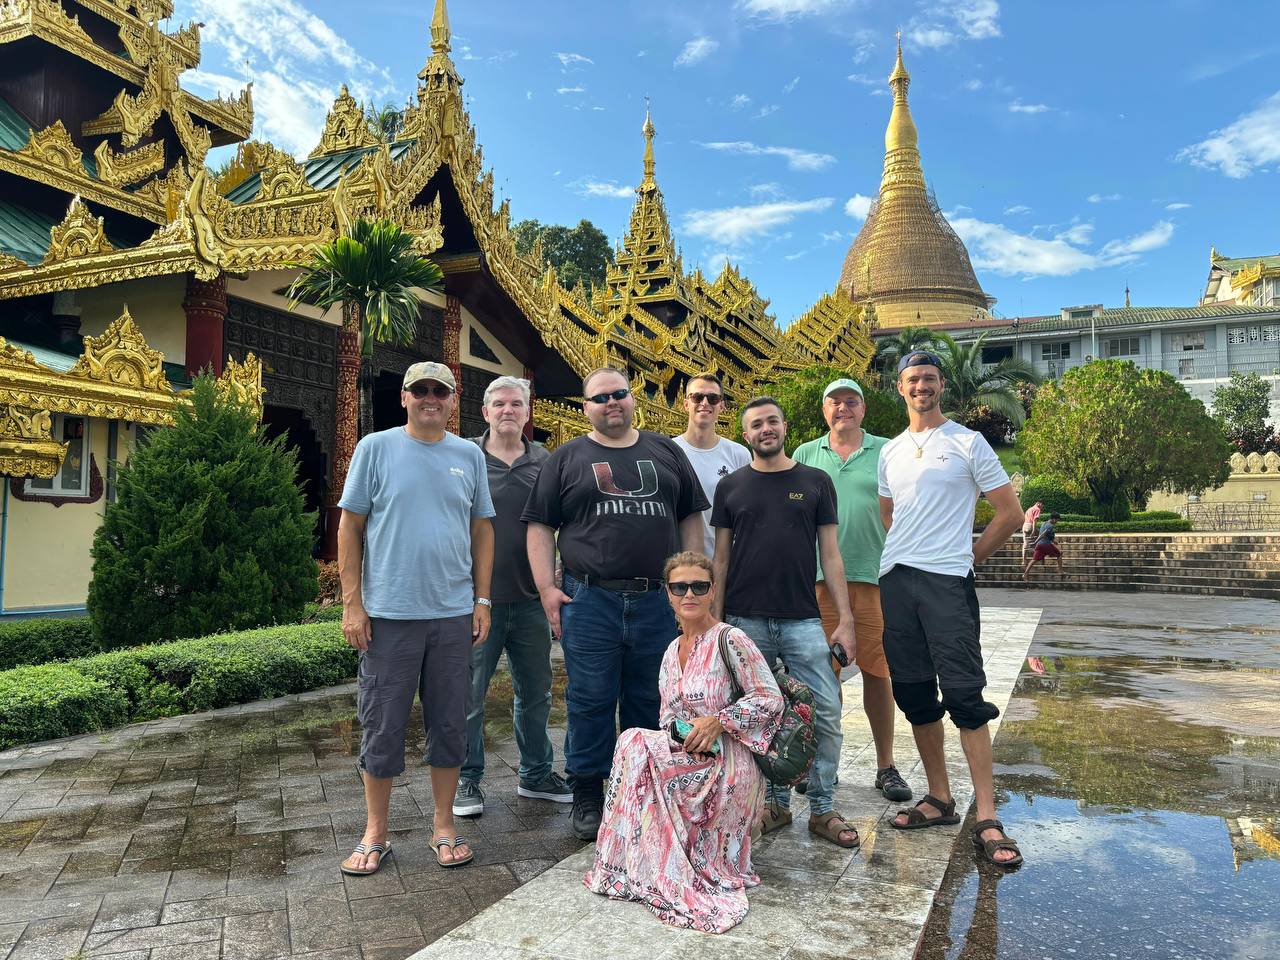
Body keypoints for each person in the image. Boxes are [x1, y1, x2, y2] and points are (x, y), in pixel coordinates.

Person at [523, 367, 708, 840]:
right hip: (590, 599)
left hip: (657, 600)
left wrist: (690, 584)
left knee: (653, 699)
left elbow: (689, 516)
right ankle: (588, 789)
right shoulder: (566, 459)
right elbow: (540, 526)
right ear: (585, 406)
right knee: (589, 699)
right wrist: (547, 588)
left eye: (620, 394)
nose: (612, 403)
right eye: (600, 397)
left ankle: (647, 788)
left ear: (633, 400)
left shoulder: (666, 451)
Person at [337, 361, 494, 873]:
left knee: (450, 723)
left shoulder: (468, 454)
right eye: (420, 390)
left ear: (454, 399)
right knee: (382, 724)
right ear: (404, 397)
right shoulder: (375, 448)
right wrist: (352, 603)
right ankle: (375, 832)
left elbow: (482, 531)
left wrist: (482, 599)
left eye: (440, 391)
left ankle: (444, 825)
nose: (430, 398)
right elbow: (350, 527)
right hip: (389, 616)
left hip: (451, 615)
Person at [584, 551, 784, 933]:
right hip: (690, 755)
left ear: (712, 591)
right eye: (680, 586)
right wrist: (686, 733)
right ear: (668, 594)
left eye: (699, 585)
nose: (689, 593)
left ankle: (626, 863)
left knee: (631, 740)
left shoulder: (731, 639)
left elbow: (769, 698)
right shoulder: (669, 654)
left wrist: (718, 721)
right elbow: (666, 721)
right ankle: (629, 865)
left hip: (728, 762)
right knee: (635, 743)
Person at [878, 351, 1025, 868]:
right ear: (900, 388)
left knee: (964, 693)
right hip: (897, 581)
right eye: (913, 379)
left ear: (942, 386)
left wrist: (969, 557)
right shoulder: (890, 451)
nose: (922, 386)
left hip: (947, 582)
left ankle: (987, 814)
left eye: (930, 379)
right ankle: (939, 797)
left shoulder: (967, 441)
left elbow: (1008, 514)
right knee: (914, 692)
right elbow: (889, 515)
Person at [711, 396, 860, 849]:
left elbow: (831, 555)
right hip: (744, 619)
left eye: (772, 421)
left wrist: (845, 619)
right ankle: (774, 803)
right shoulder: (731, 486)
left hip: (802, 619)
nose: (765, 429)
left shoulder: (815, 482)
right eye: (756, 424)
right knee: (759, 715)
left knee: (826, 712)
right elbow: (721, 557)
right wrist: (715, 623)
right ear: (746, 435)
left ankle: (822, 807)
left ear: (785, 425)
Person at [455, 376, 572, 818]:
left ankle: (536, 772)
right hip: (475, 600)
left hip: (529, 601)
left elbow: (565, 523)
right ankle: (467, 777)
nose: (507, 410)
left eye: (516, 404)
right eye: (499, 404)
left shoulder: (548, 461)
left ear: (527, 413)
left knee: (536, 691)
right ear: (484, 412)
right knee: (469, 694)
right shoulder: (465, 456)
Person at [793, 377, 913, 804]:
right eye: (834, 402)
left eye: (851, 401)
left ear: (863, 409)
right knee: (824, 679)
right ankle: (824, 763)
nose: (842, 408)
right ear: (824, 410)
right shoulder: (806, 454)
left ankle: (886, 765)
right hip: (820, 583)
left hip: (875, 577)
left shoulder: (887, 449)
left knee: (879, 674)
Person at [672, 373, 751, 557]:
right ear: (686, 404)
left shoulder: (739, 454)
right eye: (697, 397)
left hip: (728, 559)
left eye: (713, 398)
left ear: (721, 406)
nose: (705, 403)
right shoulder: (670, 451)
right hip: (682, 563)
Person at [1022, 512, 1064, 581]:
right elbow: (1043, 535)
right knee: (1059, 554)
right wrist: (1035, 542)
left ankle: (1025, 574)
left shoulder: (1044, 523)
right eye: (1057, 520)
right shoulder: (1050, 526)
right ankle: (1060, 571)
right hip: (1046, 545)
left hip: (1040, 545)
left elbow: (1043, 534)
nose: (1057, 522)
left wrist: (1052, 541)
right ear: (1053, 519)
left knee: (1034, 560)